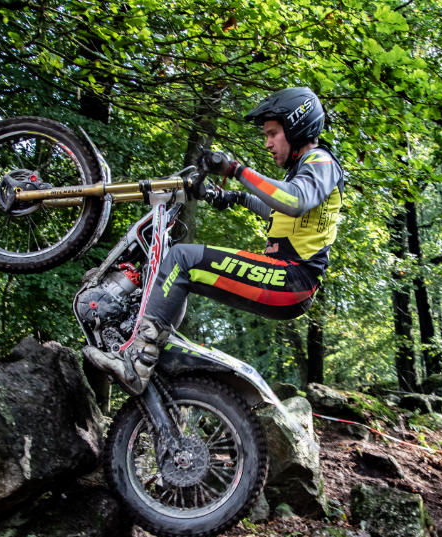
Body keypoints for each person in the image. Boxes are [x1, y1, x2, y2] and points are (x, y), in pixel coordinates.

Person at [84, 86, 345, 394]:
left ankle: (138, 361)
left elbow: (294, 201)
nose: (268, 143)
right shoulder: (301, 173)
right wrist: (232, 197)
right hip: (286, 281)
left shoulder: (321, 162)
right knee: (179, 268)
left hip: (291, 280)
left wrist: (234, 169)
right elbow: (278, 209)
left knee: (183, 259)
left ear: (297, 126)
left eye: (273, 133)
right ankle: (157, 357)